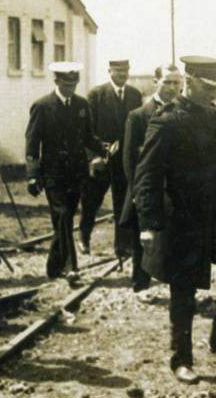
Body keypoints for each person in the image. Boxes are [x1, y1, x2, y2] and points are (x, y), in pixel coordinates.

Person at [134, 56, 216, 384]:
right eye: (208, 87)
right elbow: (146, 175)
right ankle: (181, 359)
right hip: (183, 219)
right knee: (183, 289)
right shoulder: (166, 120)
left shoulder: (214, 117)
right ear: (190, 82)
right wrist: (148, 223)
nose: (214, 94)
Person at [25, 62, 105, 279]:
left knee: (65, 219)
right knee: (63, 217)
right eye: (66, 84)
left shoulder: (81, 105)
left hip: (77, 173)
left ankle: (54, 267)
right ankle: (71, 267)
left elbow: (89, 136)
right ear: (56, 82)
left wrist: (104, 149)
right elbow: (32, 143)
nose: (70, 88)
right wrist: (33, 175)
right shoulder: (42, 106)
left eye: (74, 84)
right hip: (53, 174)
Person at [119, 63, 183, 293]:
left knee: (177, 237)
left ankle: (178, 289)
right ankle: (141, 285)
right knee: (144, 239)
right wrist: (138, 193)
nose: (172, 87)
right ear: (156, 82)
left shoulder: (184, 113)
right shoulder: (138, 116)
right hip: (149, 187)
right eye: (167, 82)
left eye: (177, 82)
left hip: (177, 188)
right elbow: (129, 159)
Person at [79, 60, 143, 258]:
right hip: (101, 159)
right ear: (110, 72)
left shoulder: (134, 95)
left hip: (124, 159)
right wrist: (94, 157)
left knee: (123, 203)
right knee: (92, 201)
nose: (122, 74)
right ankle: (84, 237)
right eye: (118, 71)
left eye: (125, 71)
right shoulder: (96, 95)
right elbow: (86, 130)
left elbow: (138, 126)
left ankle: (121, 246)